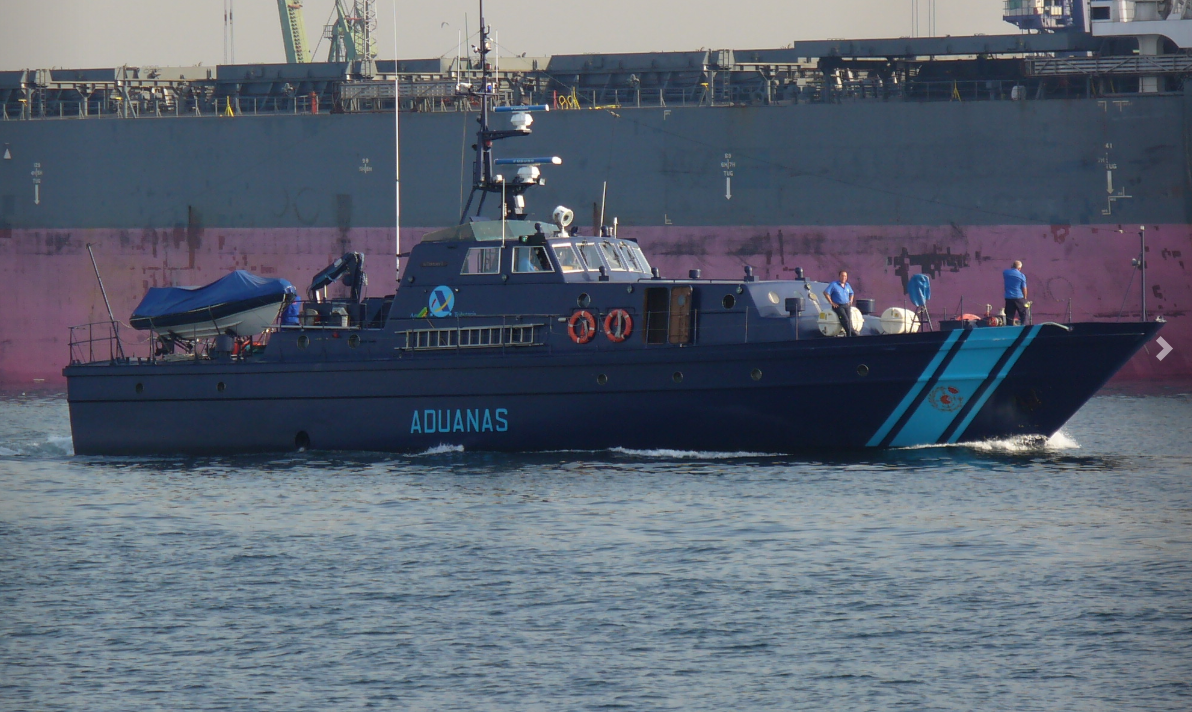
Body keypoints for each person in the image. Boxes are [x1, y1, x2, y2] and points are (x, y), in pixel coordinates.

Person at [823, 270, 857, 337]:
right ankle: (853, 334)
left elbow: (851, 293)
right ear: (839, 276)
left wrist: (851, 300)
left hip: (846, 305)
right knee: (844, 319)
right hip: (838, 306)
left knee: (849, 320)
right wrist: (831, 302)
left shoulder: (847, 285)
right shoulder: (834, 284)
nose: (844, 277)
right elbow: (826, 293)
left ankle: (849, 335)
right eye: (842, 276)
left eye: (845, 276)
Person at [1003, 260, 1029, 325]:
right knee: (1024, 314)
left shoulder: (1006, 273)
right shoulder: (1022, 276)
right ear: (1019, 268)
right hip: (1019, 297)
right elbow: (1024, 288)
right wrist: (1025, 299)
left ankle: (1009, 329)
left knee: (1009, 316)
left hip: (1008, 298)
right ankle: (1024, 327)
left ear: (1012, 266)